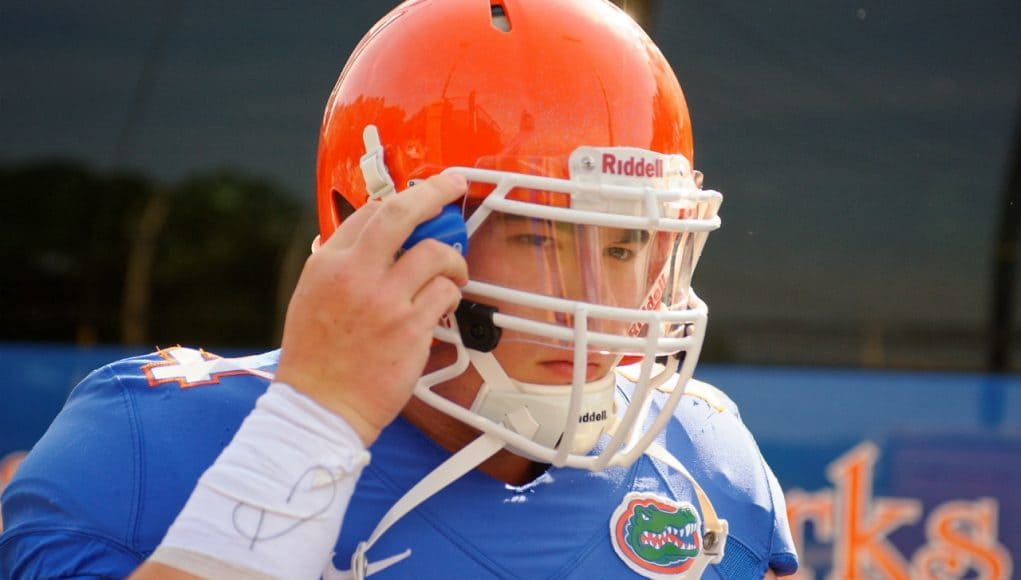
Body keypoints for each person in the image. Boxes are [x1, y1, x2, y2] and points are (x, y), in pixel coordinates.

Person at [0, 0, 799, 577]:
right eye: (538, 237)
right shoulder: (144, 446)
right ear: (380, 220)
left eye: (626, 245)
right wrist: (311, 428)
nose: (599, 301)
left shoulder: (706, 459)